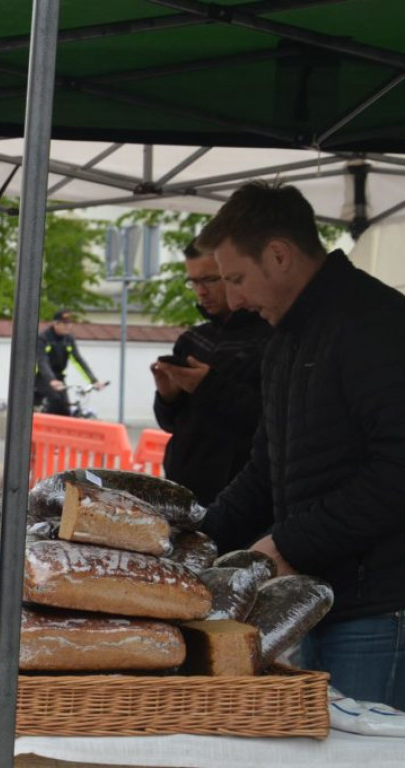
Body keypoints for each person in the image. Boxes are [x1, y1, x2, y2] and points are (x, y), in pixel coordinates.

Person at [197, 180, 405, 710]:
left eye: (238, 279)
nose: (235, 301)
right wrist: (193, 543)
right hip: (316, 602)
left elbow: (396, 471)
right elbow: (264, 472)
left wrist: (288, 545)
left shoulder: (376, 324)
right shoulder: (285, 342)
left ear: (280, 255)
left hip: (380, 608)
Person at [151, 241, 271, 504]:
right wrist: (167, 398)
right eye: (193, 282)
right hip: (182, 489)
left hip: (243, 496)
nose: (201, 291)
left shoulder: (272, 338)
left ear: (233, 274)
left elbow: (268, 419)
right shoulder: (193, 339)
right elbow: (171, 424)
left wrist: (207, 386)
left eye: (209, 279)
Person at [34, 308, 105, 416]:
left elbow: (78, 360)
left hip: (59, 378)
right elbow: (42, 361)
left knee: (65, 409)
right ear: (55, 323)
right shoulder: (44, 338)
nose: (68, 326)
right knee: (55, 401)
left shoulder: (68, 339)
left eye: (69, 324)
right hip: (42, 377)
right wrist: (51, 380)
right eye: (64, 324)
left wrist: (93, 380)